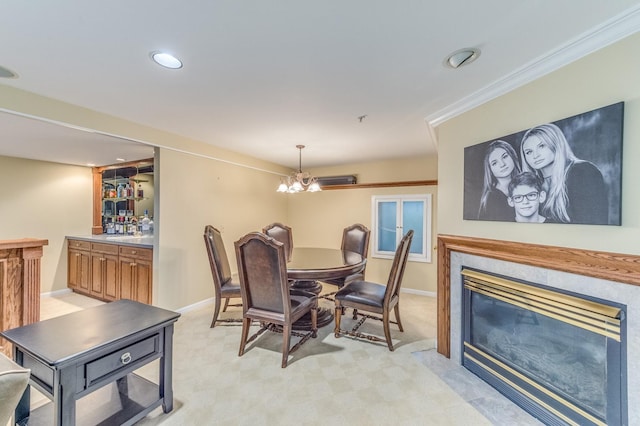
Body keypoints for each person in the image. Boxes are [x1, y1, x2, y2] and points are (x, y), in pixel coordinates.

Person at [520, 123, 608, 224]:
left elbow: (594, 223)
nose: (535, 155)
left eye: (542, 146)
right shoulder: (534, 186)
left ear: (555, 144)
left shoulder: (582, 171)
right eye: (528, 152)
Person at [477, 140, 521, 221]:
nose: (502, 164)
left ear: (512, 156)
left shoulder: (525, 185)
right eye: (495, 163)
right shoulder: (491, 198)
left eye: (504, 157)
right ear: (490, 170)